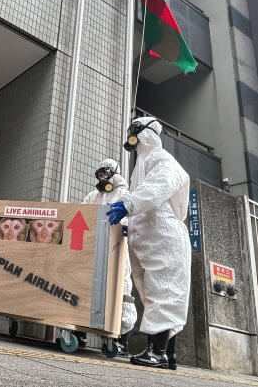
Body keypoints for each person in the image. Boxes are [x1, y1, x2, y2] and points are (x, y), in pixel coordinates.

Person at [107, 117, 190, 369]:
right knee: (155, 295)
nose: (132, 136)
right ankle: (167, 355)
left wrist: (127, 204)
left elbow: (158, 188)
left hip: (165, 238)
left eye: (135, 131)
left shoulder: (162, 160)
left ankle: (158, 353)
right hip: (151, 240)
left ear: (146, 133)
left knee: (164, 292)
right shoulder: (141, 164)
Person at [83, 158, 137, 356]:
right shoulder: (93, 195)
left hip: (116, 248)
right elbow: (82, 211)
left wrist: (123, 224)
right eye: (100, 173)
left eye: (107, 172)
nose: (103, 177)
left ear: (115, 172)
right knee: (89, 286)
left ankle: (121, 337)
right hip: (94, 248)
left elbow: (130, 216)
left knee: (120, 286)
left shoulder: (124, 193)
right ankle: (81, 330)